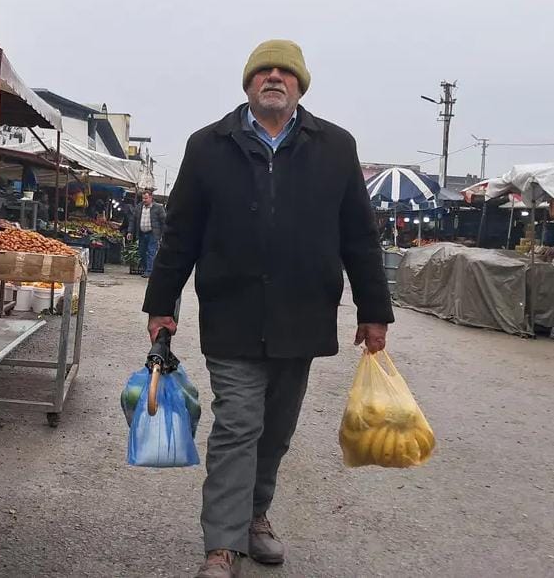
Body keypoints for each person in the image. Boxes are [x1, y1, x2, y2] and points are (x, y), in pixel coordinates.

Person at [141, 40, 394, 578]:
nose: (273, 78)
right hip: (232, 312)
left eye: (285, 72)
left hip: (302, 315)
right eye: (263, 71)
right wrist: (162, 303)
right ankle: (223, 544)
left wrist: (374, 311)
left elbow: (360, 236)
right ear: (248, 84)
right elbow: (181, 233)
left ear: (300, 85)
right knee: (237, 425)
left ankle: (256, 515)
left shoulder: (335, 146)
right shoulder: (208, 145)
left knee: (276, 430)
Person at [127, 190, 165, 278]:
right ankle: (146, 269)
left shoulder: (158, 208)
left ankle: (149, 271)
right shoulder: (138, 207)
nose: (144, 200)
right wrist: (130, 231)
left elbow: (164, 221)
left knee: (151, 252)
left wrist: (163, 234)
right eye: (143, 198)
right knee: (142, 252)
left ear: (151, 198)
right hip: (142, 233)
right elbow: (133, 220)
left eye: (146, 198)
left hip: (153, 233)